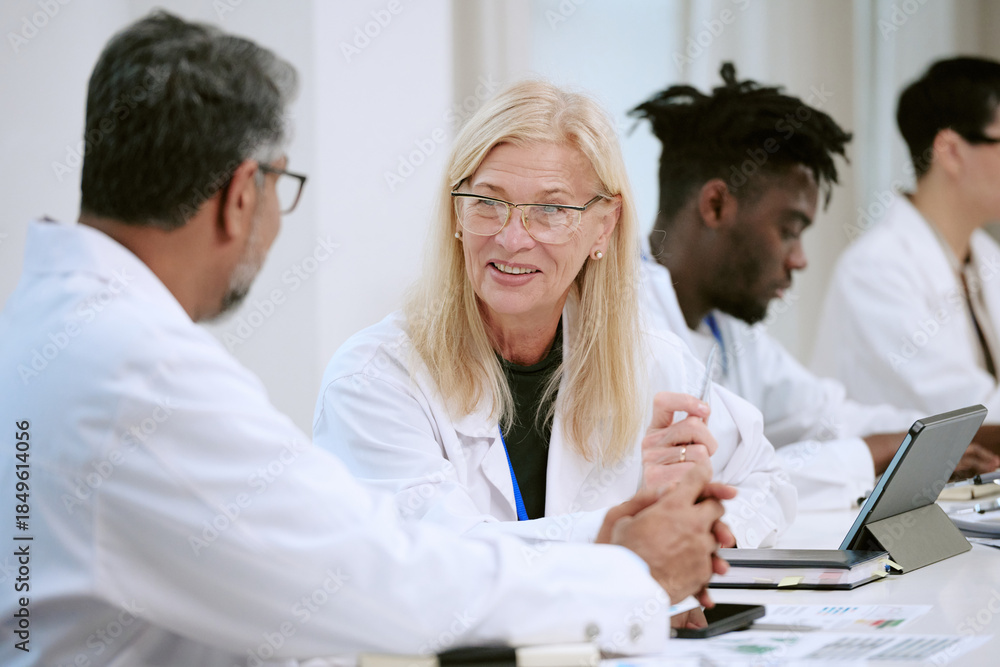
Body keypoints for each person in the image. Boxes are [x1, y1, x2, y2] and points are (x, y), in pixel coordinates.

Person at [0, 12, 738, 666]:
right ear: (241, 196)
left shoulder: (62, 332)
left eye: (549, 211)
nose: (515, 237)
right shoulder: (141, 372)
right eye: (283, 187)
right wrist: (623, 569)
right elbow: (375, 578)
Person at [313, 80, 795, 550]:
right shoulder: (373, 378)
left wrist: (697, 523)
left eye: (550, 210)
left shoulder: (650, 362)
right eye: (488, 202)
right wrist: (626, 534)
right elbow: (436, 553)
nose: (512, 239)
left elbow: (767, 482)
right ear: (457, 214)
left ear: (604, 226)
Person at [629, 63, 999, 511]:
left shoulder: (728, 328)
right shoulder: (624, 326)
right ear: (716, 204)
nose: (800, 259)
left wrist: (933, 438)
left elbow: (825, 414)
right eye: (789, 230)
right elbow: (724, 478)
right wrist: (881, 451)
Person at [811, 56, 1000, 455]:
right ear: (951, 151)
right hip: (897, 491)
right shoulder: (875, 270)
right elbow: (968, 413)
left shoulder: (986, 255)